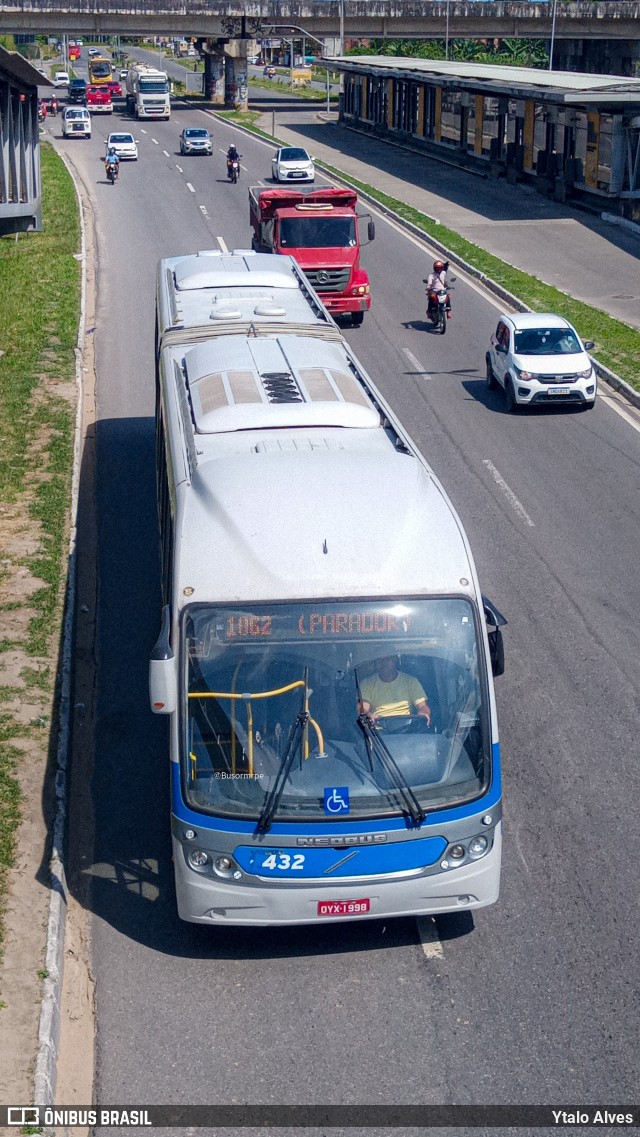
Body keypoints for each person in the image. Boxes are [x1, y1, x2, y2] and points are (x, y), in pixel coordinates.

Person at [359, 655, 432, 726]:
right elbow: (363, 709)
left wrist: (423, 713)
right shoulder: (366, 684)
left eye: (387, 659)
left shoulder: (411, 681)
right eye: (380, 660)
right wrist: (368, 716)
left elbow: (423, 706)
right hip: (376, 732)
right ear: (375, 661)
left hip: (406, 729)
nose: (383, 663)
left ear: (395, 659)